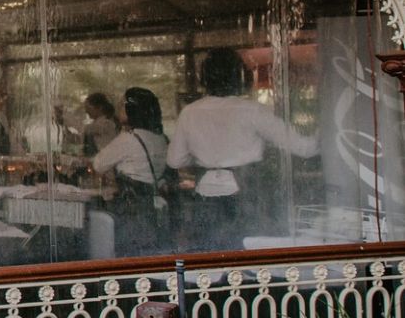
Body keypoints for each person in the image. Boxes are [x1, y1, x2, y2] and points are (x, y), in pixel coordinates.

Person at [168, 48, 318, 246]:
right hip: (248, 196)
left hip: (206, 196)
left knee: (210, 260)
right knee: (249, 257)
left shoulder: (190, 112)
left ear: (204, 78)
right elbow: (304, 148)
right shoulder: (251, 110)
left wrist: (201, 157)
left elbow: (174, 160)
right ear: (241, 76)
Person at [93, 88, 169, 255]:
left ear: (131, 110)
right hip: (153, 206)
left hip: (131, 208)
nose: (118, 109)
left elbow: (98, 164)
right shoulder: (160, 138)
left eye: (122, 105)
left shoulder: (129, 139)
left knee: (129, 252)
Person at [79, 92, 119, 156]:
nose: (86, 111)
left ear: (99, 108)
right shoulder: (94, 125)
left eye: (89, 108)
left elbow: (91, 129)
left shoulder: (107, 124)